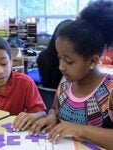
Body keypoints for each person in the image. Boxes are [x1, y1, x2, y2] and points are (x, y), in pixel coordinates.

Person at [30, 1, 113, 149]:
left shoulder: (110, 91)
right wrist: (51, 117)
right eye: (59, 57)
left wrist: (80, 130)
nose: (61, 67)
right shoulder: (66, 81)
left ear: (93, 61)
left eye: (69, 61)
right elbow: (55, 108)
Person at [36, 19, 73, 89]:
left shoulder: (42, 56)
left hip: (45, 96)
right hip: (66, 96)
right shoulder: (71, 62)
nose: (61, 67)